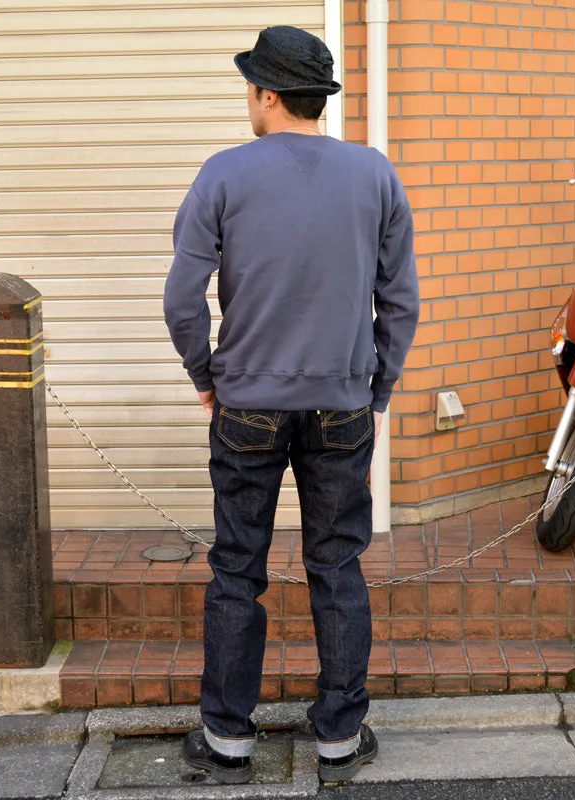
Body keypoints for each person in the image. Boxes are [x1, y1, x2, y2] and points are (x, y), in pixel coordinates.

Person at [163, 25, 419, 785]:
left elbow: (182, 298)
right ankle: (340, 741)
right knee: (337, 567)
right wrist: (377, 390)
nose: (248, 97)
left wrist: (205, 376)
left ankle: (228, 743)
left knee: (237, 568)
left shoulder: (223, 175)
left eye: (250, 85)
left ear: (268, 92)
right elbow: (398, 303)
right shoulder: (374, 176)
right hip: (341, 404)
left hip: (246, 402)